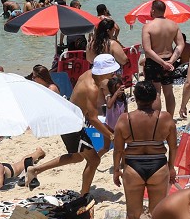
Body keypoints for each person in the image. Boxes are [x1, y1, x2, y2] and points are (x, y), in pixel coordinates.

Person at [25, 53, 119, 194]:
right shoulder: (92, 87)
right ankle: (83, 196)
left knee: (76, 157)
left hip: (69, 119)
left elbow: (82, 100)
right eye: (112, 71)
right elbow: (93, 118)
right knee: (93, 161)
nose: (114, 73)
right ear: (104, 72)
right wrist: (111, 136)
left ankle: (35, 170)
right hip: (71, 125)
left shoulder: (88, 74)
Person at [113, 81, 178, 219]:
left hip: (133, 166)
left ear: (136, 98)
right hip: (158, 165)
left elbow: (118, 149)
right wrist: (171, 168)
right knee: (158, 213)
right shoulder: (165, 118)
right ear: (154, 98)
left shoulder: (125, 119)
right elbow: (173, 147)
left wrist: (116, 170)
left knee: (132, 213)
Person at [141, 0, 186, 115]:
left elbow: (148, 50)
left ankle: (157, 119)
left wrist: (162, 63)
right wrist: (171, 61)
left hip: (154, 62)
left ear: (153, 10)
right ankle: (170, 119)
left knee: (156, 93)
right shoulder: (174, 25)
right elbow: (180, 44)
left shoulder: (148, 27)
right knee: (169, 92)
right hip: (169, 61)